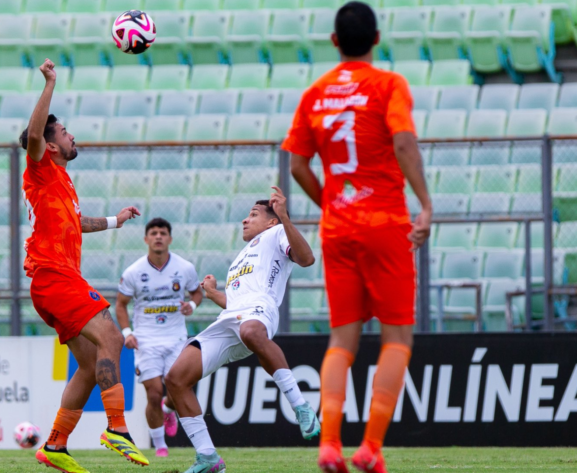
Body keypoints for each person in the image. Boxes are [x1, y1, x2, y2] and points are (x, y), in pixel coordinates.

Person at [283, 3, 432, 472]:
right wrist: (425, 204)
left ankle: (328, 445)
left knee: (342, 342)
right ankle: (369, 448)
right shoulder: (389, 84)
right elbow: (404, 143)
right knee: (397, 338)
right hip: (385, 222)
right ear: (377, 37)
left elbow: (296, 165)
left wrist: (330, 201)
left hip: (338, 228)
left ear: (334, 41)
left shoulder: (315, 93)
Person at [22, 58, 148, 473]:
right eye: (65, 132)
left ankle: (55, 445)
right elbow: (34, 133)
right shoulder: (40, 170)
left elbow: (75, 223)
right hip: (53, 277)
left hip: (57, 280)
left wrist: (115, 220)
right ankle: (116, 428)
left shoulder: (61, 183)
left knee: (93, 365)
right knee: (111, 335)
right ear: (51, 144)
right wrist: (50, 83)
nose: (72, 135)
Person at [165, 190, 321, 473]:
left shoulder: (277, 234)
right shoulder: (239, 259)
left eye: (253, 214)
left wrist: (284, 216)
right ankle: (208, 458)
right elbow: (236, 303)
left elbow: (307, 259)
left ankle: (301, 407)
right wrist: (214, 295)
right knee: (175, 378)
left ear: (271, 222)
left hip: (260, 312)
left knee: (250, 331)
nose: (244, 220)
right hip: (230, 319)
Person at [116, 218, 204, 458]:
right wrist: (127, 333)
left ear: (170, 239)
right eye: (153, 233)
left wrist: (192, 307)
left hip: (176, 338)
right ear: (146, 239)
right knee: (154, 392)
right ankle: (160, 446)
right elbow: (121, 305)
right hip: (146, 340)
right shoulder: (134, 272)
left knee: (179, 390)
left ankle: (169, 408)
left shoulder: (184, 267)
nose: (158, 237)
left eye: (162, 233)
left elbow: (197, 291)